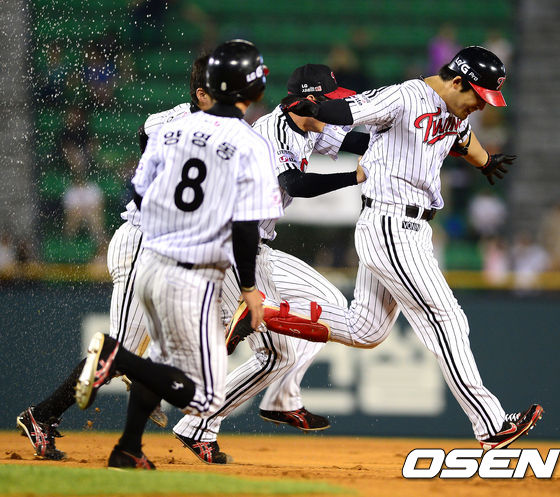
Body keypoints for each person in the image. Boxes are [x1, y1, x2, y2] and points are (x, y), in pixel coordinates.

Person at [266, 46, 543, 451]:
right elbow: (346, 112)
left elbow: (462, 139)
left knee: (366, 329)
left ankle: (266, 313)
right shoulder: (404, 96)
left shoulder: (454, 110)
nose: (482, 106)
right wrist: (308, 104)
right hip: (391, 224)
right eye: (479, 96)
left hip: (409, 228)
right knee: (446, 318)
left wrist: (485, 162)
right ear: (458, 82)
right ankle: (491, 424)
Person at [74, 39, 283, 469]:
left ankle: (128, 449)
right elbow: (247, 227)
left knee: (161, 362)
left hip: (150, 261)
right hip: (191, 275)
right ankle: (116, 356)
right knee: (204, 398)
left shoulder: (170, 129)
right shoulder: (251, 143)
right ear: (253, 89)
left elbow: (137, 191)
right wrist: (248, 289)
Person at [15, 53, 214, 461]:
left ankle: (139, 386)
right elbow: (151, 135)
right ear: (202, 93)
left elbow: (148, 133)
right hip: (142, 241)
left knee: (161, 339)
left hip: (163, 247)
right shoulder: (182, 122)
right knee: (114, 351)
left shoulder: (190, 124)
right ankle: (42, 416)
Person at [171, 63, 369, 462]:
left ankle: (281, 397)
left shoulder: (311, 123)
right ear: (308, 101)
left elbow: (359, 139)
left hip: (259, 245)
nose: (337, 107)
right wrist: (354, 177)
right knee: (276, 355)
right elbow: (294, 184)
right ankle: (196, 422)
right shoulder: (271, 131)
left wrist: (428, 139)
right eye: (330, 100)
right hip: (231, 243)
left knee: (330, 301)